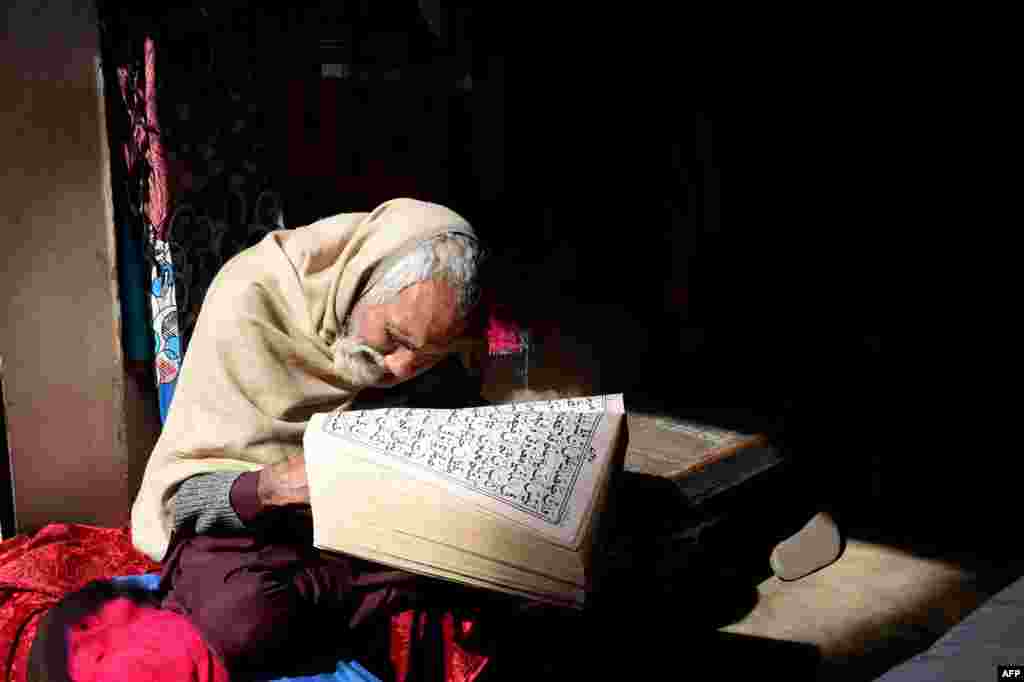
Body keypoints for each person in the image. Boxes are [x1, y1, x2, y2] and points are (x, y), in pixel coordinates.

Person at [124, 198, 513, 679]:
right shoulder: (251, 301)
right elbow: (182, 500)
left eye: (429, 355)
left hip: (368, 537)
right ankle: (390, 590)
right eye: (395, 337)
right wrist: (272, 486)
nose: (399, 368)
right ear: (360, 279)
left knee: (500, 566)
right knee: (240, 617)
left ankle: (377, 589)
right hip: (256, 532)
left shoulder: (426, 354)